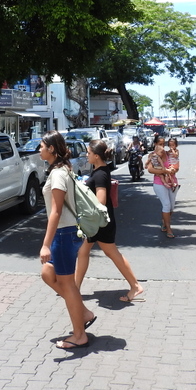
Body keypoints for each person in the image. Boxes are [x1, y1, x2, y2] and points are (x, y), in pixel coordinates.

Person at [38, 131, 96, 350]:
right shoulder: (62, 170)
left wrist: (46, 244)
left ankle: (79, 335)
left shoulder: (58, 174)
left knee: (67, 284)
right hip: (66, 233)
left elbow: (56, 211)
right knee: (48, 273)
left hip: (63, 234)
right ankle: (84, 313)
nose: (39, 149)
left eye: (42, 146)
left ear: (51, 148)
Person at [74, 140, 144, 303]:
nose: (86, 155)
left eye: (89, 153)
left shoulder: (100, 174)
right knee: (84, 251)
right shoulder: (100, 170)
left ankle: (135, 286)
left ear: (96, 156)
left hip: (100, 223)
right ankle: (74, 288)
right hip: (98, 222)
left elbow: (101, 200)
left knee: (111, 253)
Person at [145, 134, 178, 238]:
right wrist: (165, 171)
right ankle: (168, 228)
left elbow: (176, 166)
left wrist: (173, 169)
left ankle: (164, 222)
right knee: (166, 205)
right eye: (160, 144)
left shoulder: (169, 154)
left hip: (172, 182)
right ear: (155, 144)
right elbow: (150, 169)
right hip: (159, 183)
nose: (162, 147)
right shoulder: (153, 155)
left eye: (164, 144)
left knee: (171, 206)